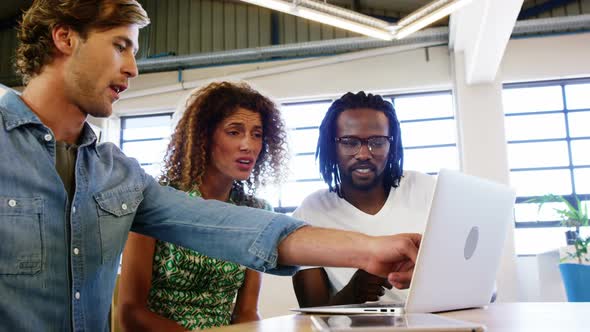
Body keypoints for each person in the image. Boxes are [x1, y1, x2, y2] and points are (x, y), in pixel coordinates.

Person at [0, 1, 420, 330]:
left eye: (134, 51)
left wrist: (370, 249)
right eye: (119, 46)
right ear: (64, 38)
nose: (132, 67)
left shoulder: (117, 176)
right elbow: (130, 313)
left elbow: (230, 227)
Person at [117, 81, 288, 331]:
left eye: (257, 134)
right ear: (203, 137)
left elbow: (247, 312)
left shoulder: (256, 212)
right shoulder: (157, 201)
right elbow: (131, 313)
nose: (248, 145)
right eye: (234, 131)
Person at [292, 92, 436, 307]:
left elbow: (478, 283)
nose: (363, 154)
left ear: (391, 145)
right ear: (332, 146)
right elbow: (312, 316)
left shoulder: (427, 189)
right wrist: (353, 293)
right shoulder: (311, 211)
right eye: (349, 142)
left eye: (377, 142)